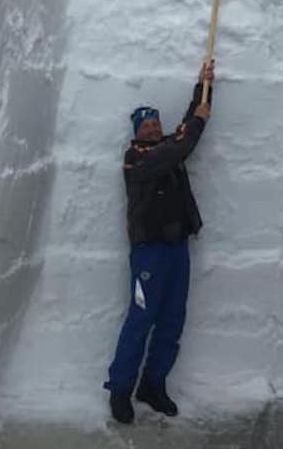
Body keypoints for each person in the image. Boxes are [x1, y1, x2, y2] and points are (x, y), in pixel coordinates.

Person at [104, 59, 215, 424]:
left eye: (156, 124)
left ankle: (153, 384)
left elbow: (183, 131)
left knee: (172, 319)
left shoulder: (170, 144)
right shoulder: (135, 160)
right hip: (149, 252)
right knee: (141, 319)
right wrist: (198, 121)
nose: (153, 129)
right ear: (137, 132)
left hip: (177, 248)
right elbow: (178, 146)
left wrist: (203, 87)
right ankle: (120, 389)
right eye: (146, 126)